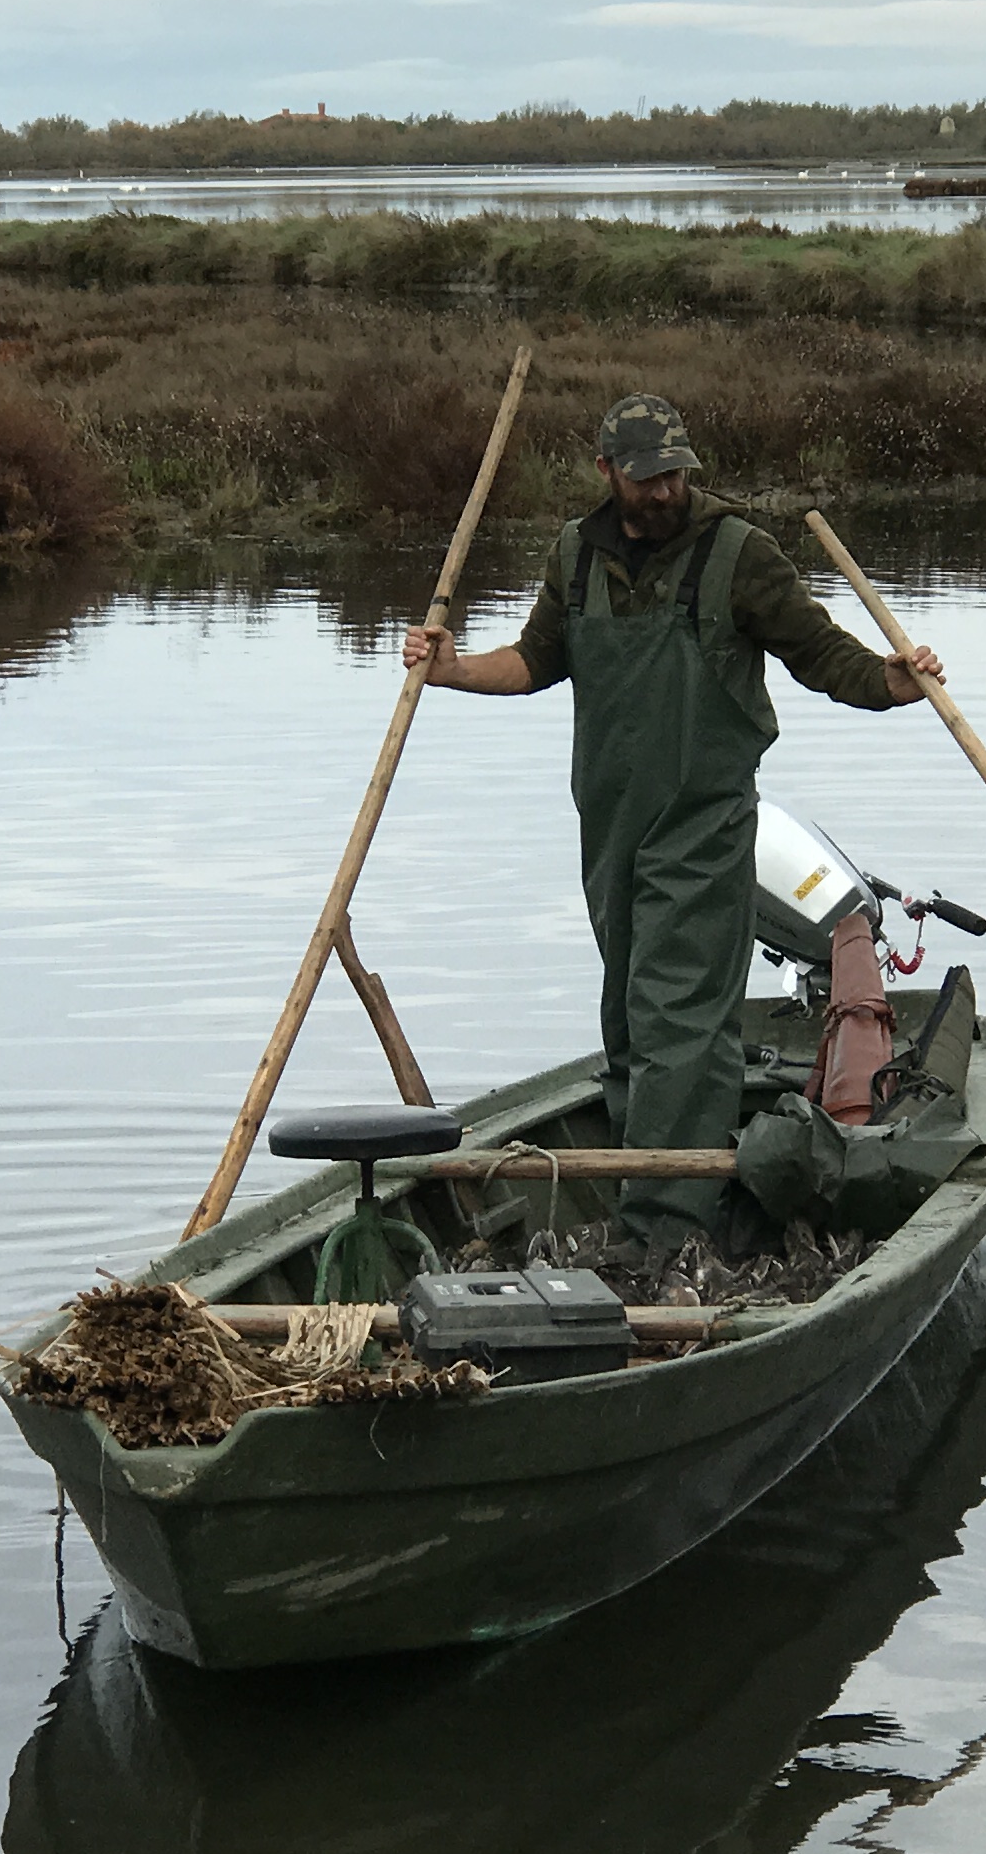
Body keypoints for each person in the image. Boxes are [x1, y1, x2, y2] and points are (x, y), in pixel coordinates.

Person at [404, 393, 943, 1246]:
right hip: (610, 826)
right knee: (627, 1013)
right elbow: (537, 659)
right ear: (607, 471)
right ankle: (642, 1181)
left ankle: (662, 1226)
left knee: (678, 1019)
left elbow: (822, 653)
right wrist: (452, 670)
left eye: (674, 475)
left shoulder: (739, 555)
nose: (663, 492)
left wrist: (894, 681)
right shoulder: (575, 555)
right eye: (646, 476)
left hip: (703, 826)